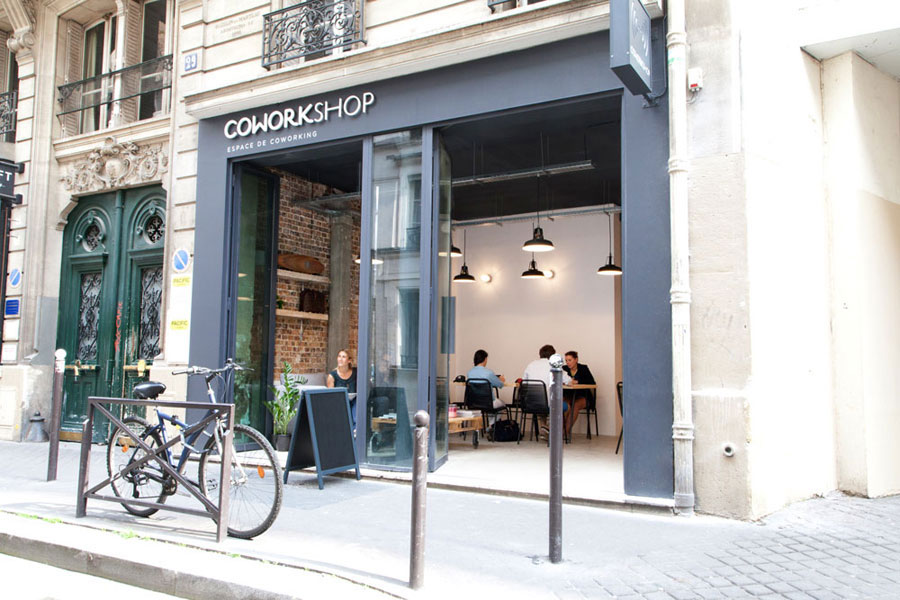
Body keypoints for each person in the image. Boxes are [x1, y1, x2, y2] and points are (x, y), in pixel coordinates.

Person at [522, 344, 571, 440]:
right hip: (548, 403)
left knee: (542, 406)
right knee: (567, 407)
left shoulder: (531, 365)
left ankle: (544, 428)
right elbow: (567, 380)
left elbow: (524, 383)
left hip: (531, 403)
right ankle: (551, 428)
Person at [562, 350, 596, 439]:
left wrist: (577, 382)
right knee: (564, 404)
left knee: (575, 405)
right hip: (569, 395)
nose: (568, 362)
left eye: (570, 360)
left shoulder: (583, 368)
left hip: (583, 396)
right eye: (566, 360)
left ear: (576, 359)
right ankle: (559, 430)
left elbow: (592, 382)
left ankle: (565, 432)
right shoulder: (564, 369)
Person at [327, 349, 358, 431]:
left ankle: (356, 430)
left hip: (355, 399)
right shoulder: (332, 375)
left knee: (357, 403)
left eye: (343, 357)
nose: (340, 359)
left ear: (349, 360)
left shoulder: (356, 372)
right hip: (339, 401)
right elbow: (330, 396)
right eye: (339, 356)